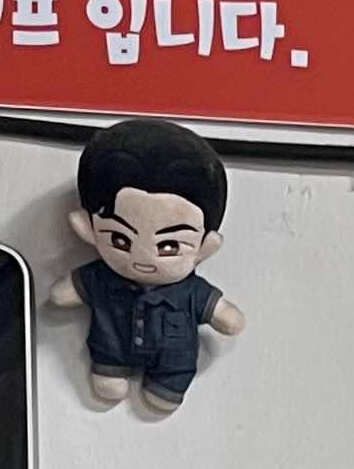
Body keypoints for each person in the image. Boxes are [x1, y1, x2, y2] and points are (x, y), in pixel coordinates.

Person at [50, 116, 245, 414]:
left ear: (205, 246)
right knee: (108, 382)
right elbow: (62, 295)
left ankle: (168, 384)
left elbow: (227, 319)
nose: (143, 257)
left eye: (169, 246)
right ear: (87, 229)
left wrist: (225, 315)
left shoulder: (191, 292)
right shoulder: (100, 278)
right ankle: (112, 372)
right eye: (120, 240)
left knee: (166, 391)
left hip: (174, 363)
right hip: (110, 353)